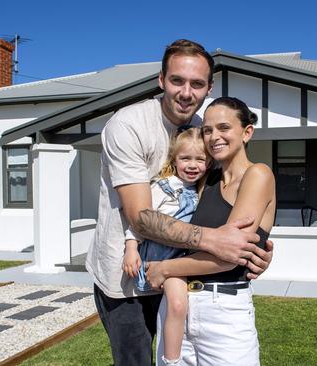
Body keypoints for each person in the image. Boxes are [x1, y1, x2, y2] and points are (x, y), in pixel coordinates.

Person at [86, 39, 274, 366]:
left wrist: (257, 246)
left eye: (197, 84)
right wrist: (214, 240)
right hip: (126, 278)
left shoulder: (204, 131)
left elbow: (228, 199)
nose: (186, 92)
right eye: (177, 81)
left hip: (182, 279)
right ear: (161, 80)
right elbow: (141, 217)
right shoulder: (129, 125)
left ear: (208, 88)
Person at [147, 96, 276, 366]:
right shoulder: (205, 179)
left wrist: (163, 268)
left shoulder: (258, 175)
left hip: (224, 313)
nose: (214, 136)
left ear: (246, 132)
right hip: (177, 304)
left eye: (224, 128)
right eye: (208, 130)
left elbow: (229, 255)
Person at [122, 127, 209, 365]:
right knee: (179, 305)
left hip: (180, 262)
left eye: (200, 159)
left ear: (209, 162)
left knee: (181, 307)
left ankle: (178, 354)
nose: (193, 165)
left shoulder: (203, 190)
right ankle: (172, 361)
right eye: (185, 158)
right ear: (174, 159)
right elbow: (140, 220)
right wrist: (131, 248)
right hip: (159, 260)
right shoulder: (163, 187)